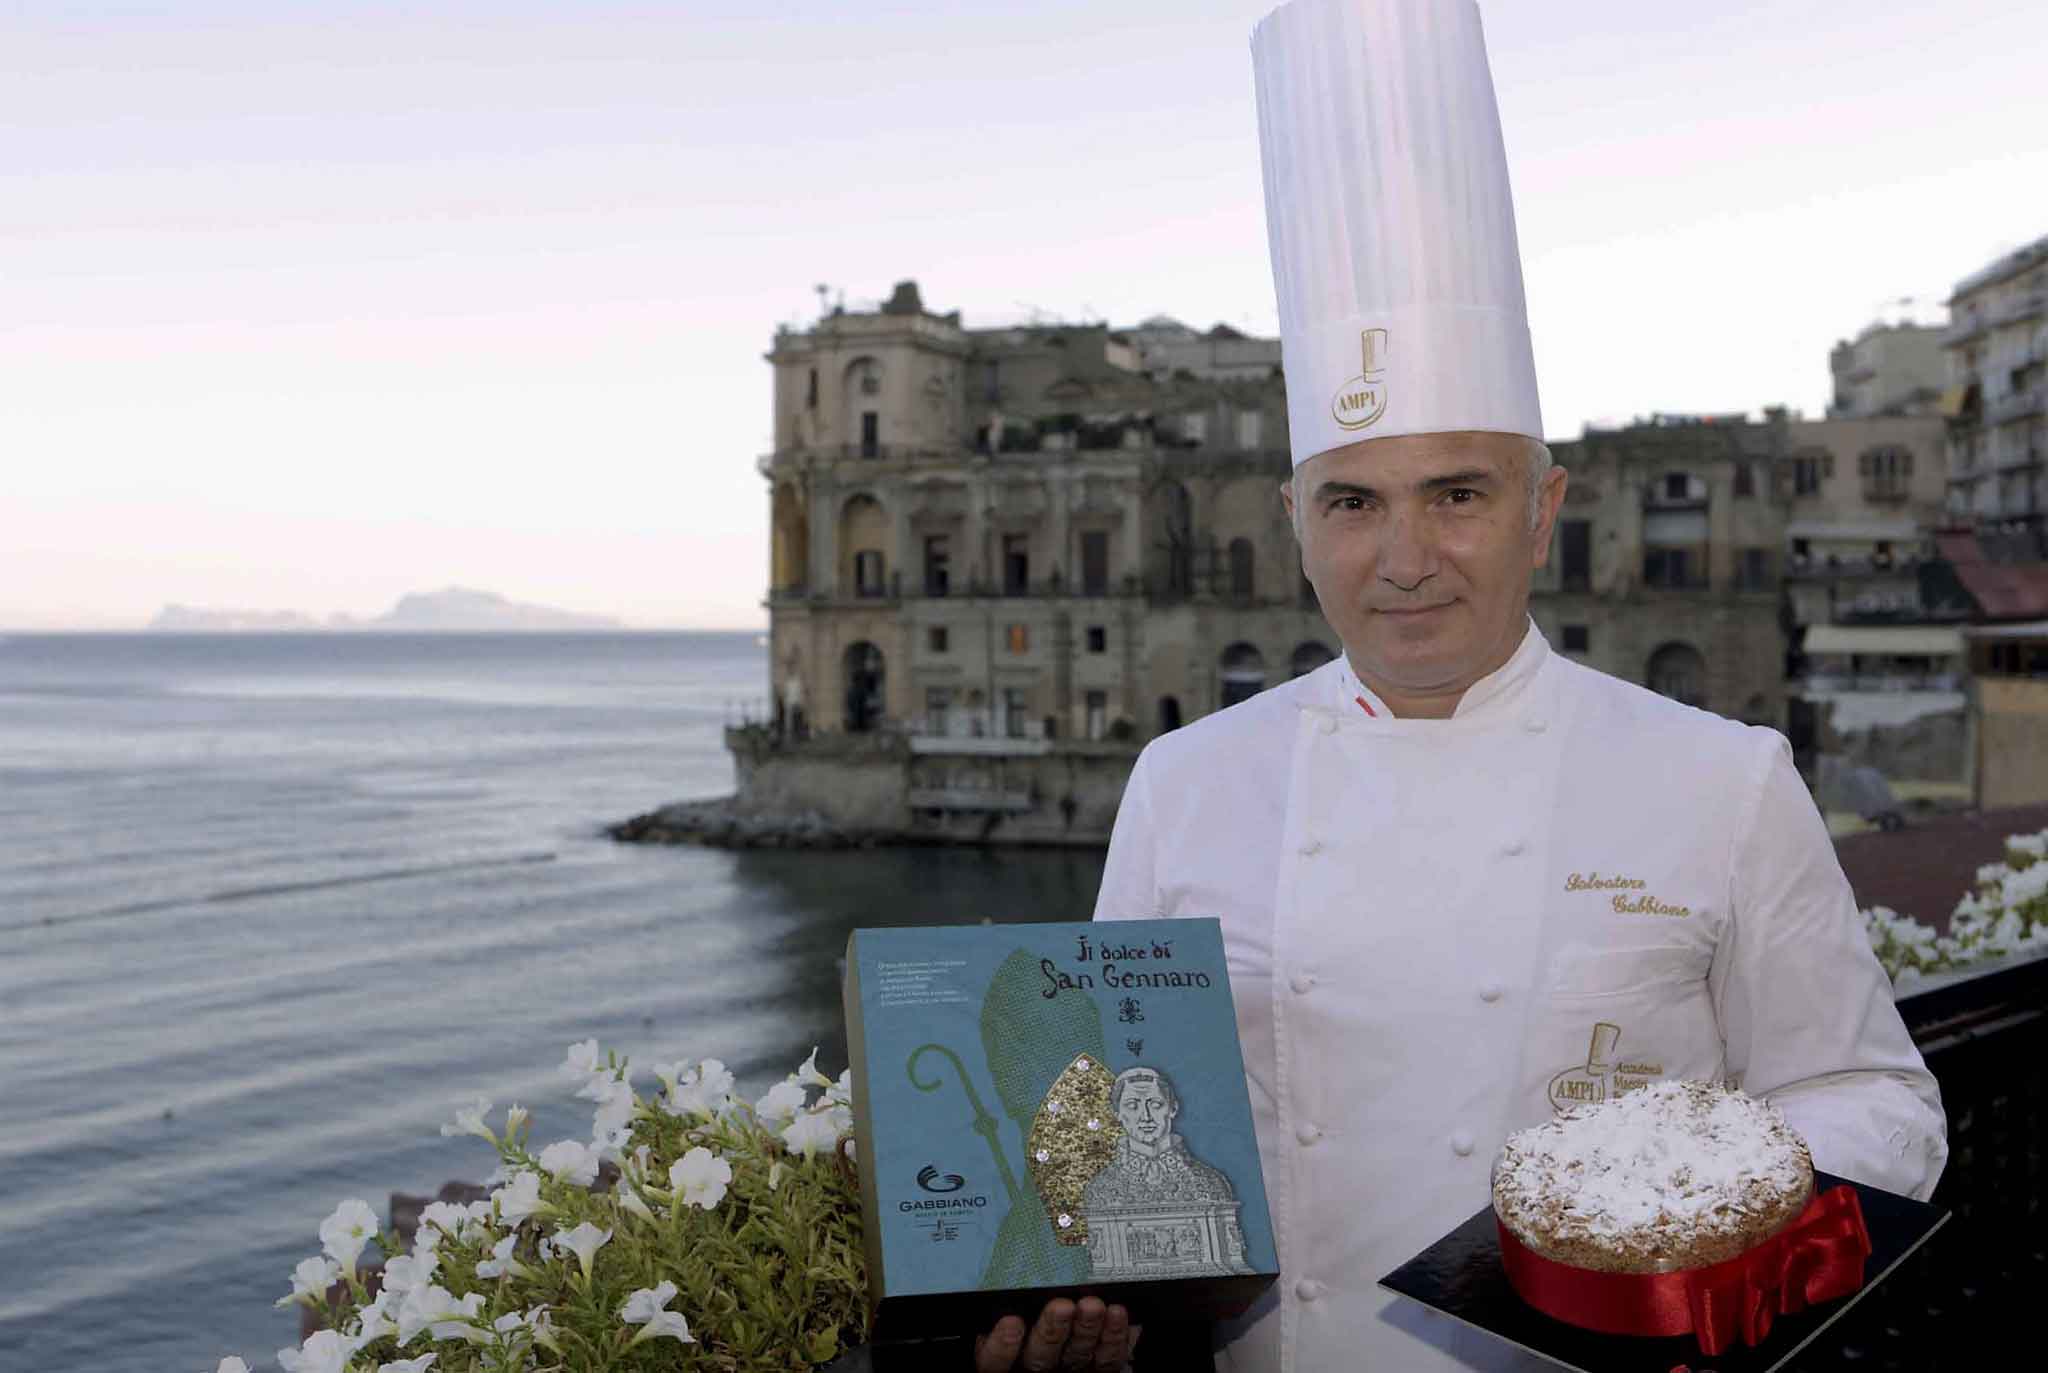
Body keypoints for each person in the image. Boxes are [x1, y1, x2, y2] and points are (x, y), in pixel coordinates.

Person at [978, 2, 1946, 1369]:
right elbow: (1098, 1134)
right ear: (1296, 516)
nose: (1407, 558)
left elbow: (1879, 1103)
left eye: (1459, 493)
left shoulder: (1723, 780)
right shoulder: (1181, 782)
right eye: (1355, 502)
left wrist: (1670, 1189)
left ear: (1544, 506)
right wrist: (1061, 1308)